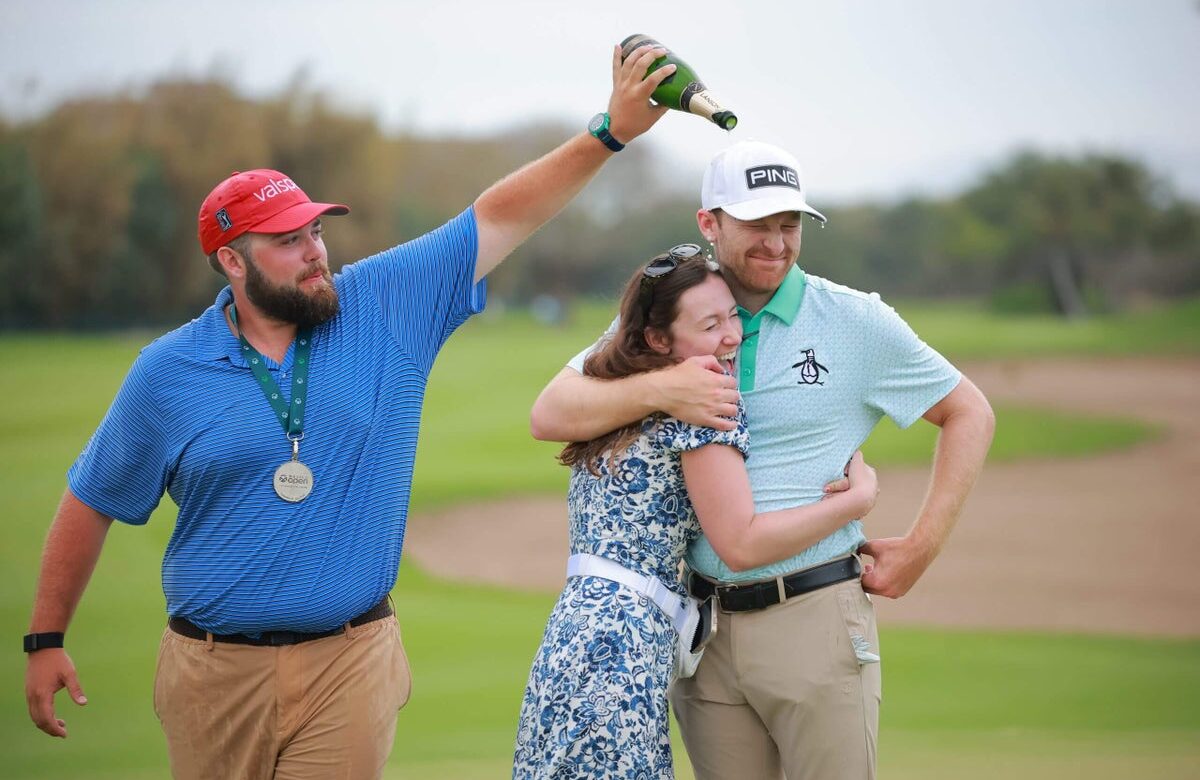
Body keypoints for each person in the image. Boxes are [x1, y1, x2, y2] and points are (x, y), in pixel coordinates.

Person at [22, 43, 678, 780]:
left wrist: (610, 133)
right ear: (232, 262)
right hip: (210, 675)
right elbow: (91, 499)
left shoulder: (383, 303)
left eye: (316, 231)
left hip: (349, 661)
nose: (314, 253)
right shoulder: (168, 372)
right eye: (287, 241)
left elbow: (499, 216)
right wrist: (45, 638)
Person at [529, 140, 996, 780]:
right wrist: (665, 387)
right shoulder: (682, 315)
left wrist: (924, 543)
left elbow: (970, 412)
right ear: (709, 224)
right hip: (705, 633)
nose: (776, 243)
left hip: (816, 614)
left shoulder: (855, 320)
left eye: (790, 224)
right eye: (757, 225)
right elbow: (551, 412)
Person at [512, 247, 880, 778]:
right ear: (659, 339)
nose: (733, 334)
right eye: (710, 324)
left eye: (733, 314)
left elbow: (550, 414)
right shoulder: (706, 402)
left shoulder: (613, 392)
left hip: (572, 634)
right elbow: (742, 543)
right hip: (625, 644)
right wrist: (855, 503)